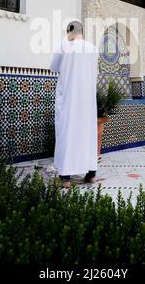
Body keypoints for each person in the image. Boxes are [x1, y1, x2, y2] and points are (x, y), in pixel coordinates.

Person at [50, 21, 99, 188]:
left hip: (70, 100)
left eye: (67, 33)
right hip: (87, 101)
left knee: (68, 133)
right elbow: (94, 72)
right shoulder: (93, 49)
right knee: (87, 134)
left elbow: (53, 67)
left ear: (70, 32)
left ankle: (66, 178)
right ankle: (91, 174)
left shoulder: (64, 46)